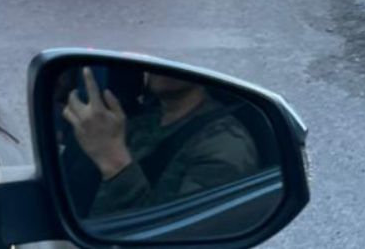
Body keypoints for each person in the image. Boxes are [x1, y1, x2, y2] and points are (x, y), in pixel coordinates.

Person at [62, 67, 259, 217]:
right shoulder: (139, 120)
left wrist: (114, 161)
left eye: (177, 58)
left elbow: (185, 235)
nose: (161, 64)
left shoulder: (225, 143)